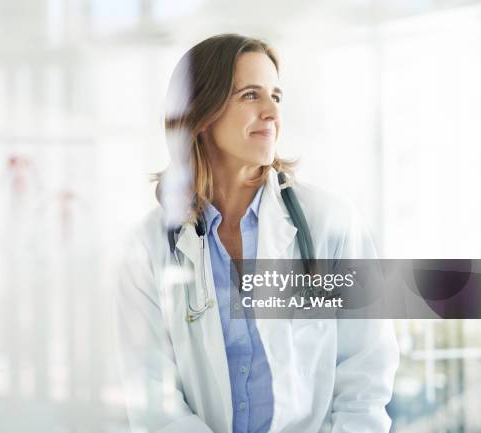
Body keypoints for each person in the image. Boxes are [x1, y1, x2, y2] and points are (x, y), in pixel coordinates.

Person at [114, 33, 399, 433]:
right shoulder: (147, 249)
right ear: (201, 111)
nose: (271, 112)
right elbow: (154, 402)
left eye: (276, 96)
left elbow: (366, 372)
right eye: (251, 95)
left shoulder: (329, 223)